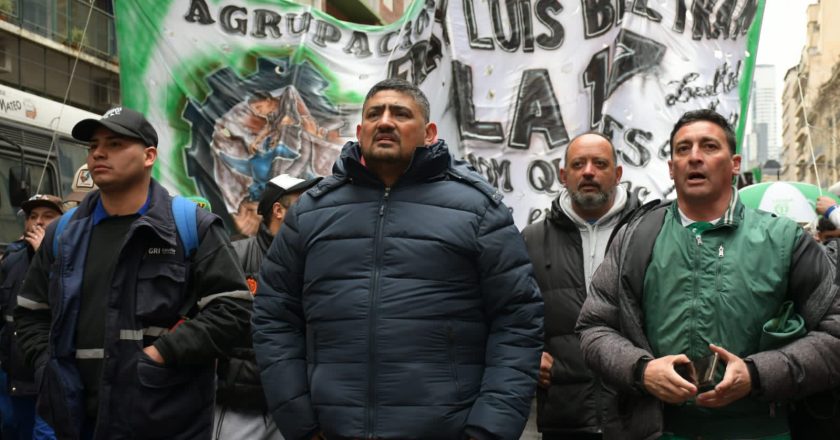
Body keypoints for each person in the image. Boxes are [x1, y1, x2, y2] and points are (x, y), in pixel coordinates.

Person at [251, 78, 543, 440]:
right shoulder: (312, 212)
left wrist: (489, 430)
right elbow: (273, 317)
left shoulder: (479, 211)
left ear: (429, 132)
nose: (385, 122)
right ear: (360, 131)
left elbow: (518, 322)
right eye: (374, 114)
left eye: (401, 114)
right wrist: (302, 425)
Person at [577, 109, 840, 440]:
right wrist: (642, 370)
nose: (695, 157)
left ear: (734, 163)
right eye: (683, 149)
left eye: (709, 146)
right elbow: (594, 327)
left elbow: (835, 333)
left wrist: (757, 374)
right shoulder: (636, 237)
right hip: (659, 430)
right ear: (671, 168)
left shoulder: (785, 240)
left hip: (761, 430)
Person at [14, 107, 253, 439]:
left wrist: (160, 355)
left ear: (149, 156)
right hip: (74, 419)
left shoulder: (190, 227)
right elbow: (30, 313)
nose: (98, 152)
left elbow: (234, 310)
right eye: (94, 145)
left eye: (114, 144)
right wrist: (47, 366)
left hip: (164, 419)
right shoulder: (63, 234)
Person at [522, 132, 639, 439]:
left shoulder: (648, 232)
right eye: (579, 164)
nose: (588, 171)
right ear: (563, 175)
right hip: (564, 417)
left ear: (617, 174)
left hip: (636, 414)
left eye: (599, 163)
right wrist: (527, 354)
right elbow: (509, 315)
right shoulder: (531, 240)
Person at [214, 173, 319, 440]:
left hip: (302, 408)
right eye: (304, 200)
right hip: (242, 405)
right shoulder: (235, 256)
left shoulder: (319, 260)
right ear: (278, 210)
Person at [0, 195, 62, 440]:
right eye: (33, 217)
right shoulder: (11, 261)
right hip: (12, 378)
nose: (38, 223)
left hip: (48, 376)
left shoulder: (69, 259)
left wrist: (43, 257)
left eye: (48, 217)